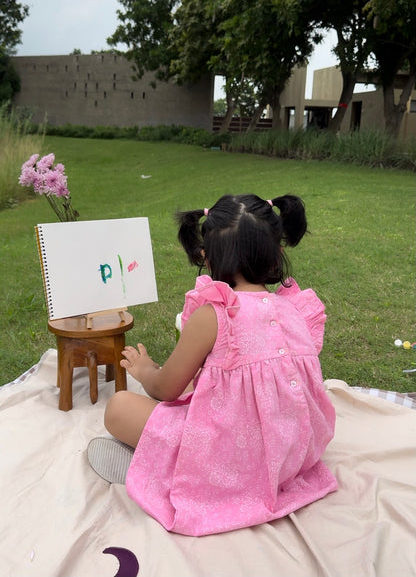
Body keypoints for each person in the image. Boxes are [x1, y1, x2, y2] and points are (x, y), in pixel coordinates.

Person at [88, 193, 338, 536]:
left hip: (229, 465)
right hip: (291, 459)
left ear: (207, 258)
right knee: (194, 398)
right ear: (278, 251)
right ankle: (165, 463)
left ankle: (162, 470)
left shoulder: (216, 313)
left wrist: (145, 370)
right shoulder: (297, 309)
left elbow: (167, 389)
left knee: (118, 407)